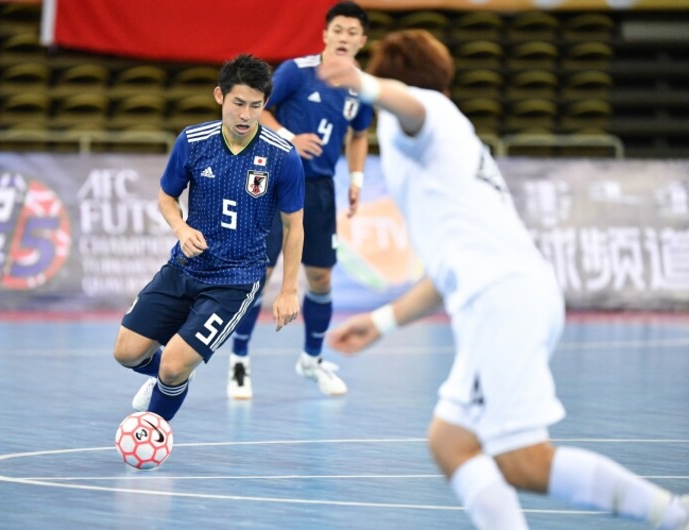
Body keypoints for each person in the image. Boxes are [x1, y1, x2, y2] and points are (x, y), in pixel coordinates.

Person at [319, 30, 689, 530]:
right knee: (451, 441)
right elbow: (447, 274)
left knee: (523, 460)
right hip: (504, 292)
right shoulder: (443, 155)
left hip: (502, 299)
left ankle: (673, 515)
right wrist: (382, 322)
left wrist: (364, 82)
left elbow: (412, 104)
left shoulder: (429, 116)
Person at [113, 54, 305, 422]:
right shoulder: (193, 140)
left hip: (235, 279)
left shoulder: (283, 157)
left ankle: (154, 428)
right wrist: (182, 229)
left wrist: (289, 289)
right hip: (185, 266)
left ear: (265, 104)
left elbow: (294, 226)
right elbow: (166, 197)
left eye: (255, 105)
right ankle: (173, 377)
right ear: (220, 96)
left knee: (171, 366)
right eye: (238, 104)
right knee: (127, 353)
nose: (246, 115)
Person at [226, 1, 374, 400]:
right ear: (325, 34)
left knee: (321, 277)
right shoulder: (296, 70)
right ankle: (239, 360)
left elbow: (359, 135)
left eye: (352, 32)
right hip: (276, 183)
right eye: (337, 29)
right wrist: (291, 139)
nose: (344, 37)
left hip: (321, 189)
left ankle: (312, 359)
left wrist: (356, 177)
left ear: (362, 40)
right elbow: (260, 112)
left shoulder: (363, 88)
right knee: (260, 275)